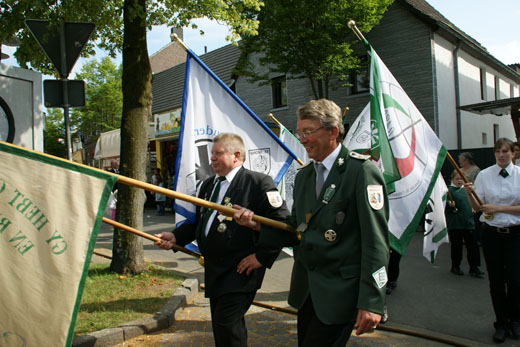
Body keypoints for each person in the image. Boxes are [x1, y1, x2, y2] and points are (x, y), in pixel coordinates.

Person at [234, 99, 390, 346]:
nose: (303, 139)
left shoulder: (361, 172)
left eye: (309, 132)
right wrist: (256, 224)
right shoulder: (305, 176)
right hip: (307, 292)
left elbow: (376, 242)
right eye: (300, 132)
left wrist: (372, 301)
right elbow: (296, 229)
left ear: (333, 132)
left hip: (340, 294)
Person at [154, 133, 289, 347]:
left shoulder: (257, 182)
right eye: (211, 154)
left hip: (240, 272)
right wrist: (175, 236)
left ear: (236, 155)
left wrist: (262, 257)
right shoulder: (209, 185)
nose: (212, 159)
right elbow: (199, 223)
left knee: (228, 326)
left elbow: (282, 225)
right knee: (221, 328)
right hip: (215, 270)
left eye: (218, 153)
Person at [464, 138, 520, 343]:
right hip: (492, 234)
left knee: (515, 280)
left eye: (506, 151)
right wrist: (469, 194)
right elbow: (478, 207)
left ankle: (516, 319)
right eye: (498, 151)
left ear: (513, 153)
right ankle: (501, 323)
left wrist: (498, 208)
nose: (501, 154)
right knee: (496, 282)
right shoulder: (484, 175)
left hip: (515, 234)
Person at [446, 170, 484, 278]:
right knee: (456, 246)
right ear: (452, 179)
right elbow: (444, 205)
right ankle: (455, 266)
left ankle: (474, 267)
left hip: (469, 222)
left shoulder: (467, 191)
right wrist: (450, 205)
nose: (459, 181)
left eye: (461, 179)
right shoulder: (449, 191)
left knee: (472, 246)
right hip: (456, 224)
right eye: (457, 179)